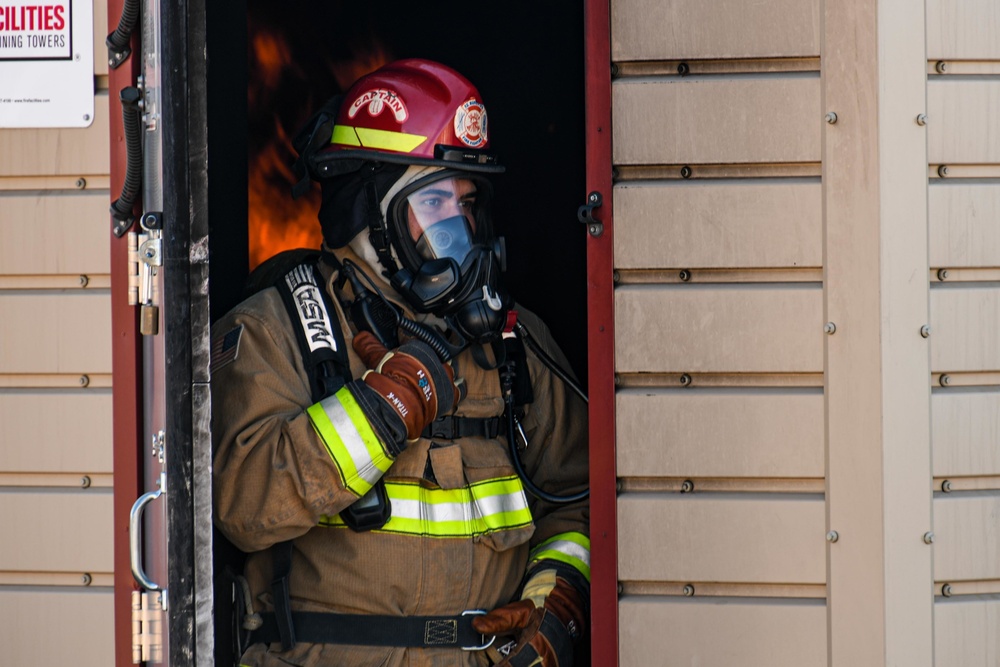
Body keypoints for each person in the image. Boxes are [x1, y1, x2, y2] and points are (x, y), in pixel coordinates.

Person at [211, 58, 590, 667]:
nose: (459, 228)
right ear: (369, 215)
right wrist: (378, 414)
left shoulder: (513, 342)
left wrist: (558, 593)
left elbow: (578, 494)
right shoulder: (274, 329)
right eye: (434, 200)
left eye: (468, 204)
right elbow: (238, 509)